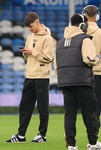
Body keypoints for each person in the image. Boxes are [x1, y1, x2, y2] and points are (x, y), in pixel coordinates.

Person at [5, 12, 56, 143]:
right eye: (27, 26)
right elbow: (28, 57)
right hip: (29, 75)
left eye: (31, 25)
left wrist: (32, 52)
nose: (29, 28)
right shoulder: (29, 37)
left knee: (42, 108)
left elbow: (48, 58)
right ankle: (21, 135)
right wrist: (27, 53)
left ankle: (42, 135)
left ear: (37, 22)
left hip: (41, 76)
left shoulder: (48, 39)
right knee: (24, 107)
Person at [54, 13, 100, 150]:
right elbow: (89, 59)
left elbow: (56, 66)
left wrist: (62, 79)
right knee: (90, 113)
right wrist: (96, 59)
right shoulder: (84, 39)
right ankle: (92, 143)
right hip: (82, 81)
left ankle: (72, 145)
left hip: (65, 82)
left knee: (70, 115)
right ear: (81, 25)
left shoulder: (60, 42)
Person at [83, 4, 101, 141]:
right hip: (98, 72)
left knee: (76, 106)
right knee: (96, 106)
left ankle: (70, 134)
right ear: (97, 15)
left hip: (81, 72)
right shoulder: (100, 33)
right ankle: (93, 138)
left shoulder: (80, 32)